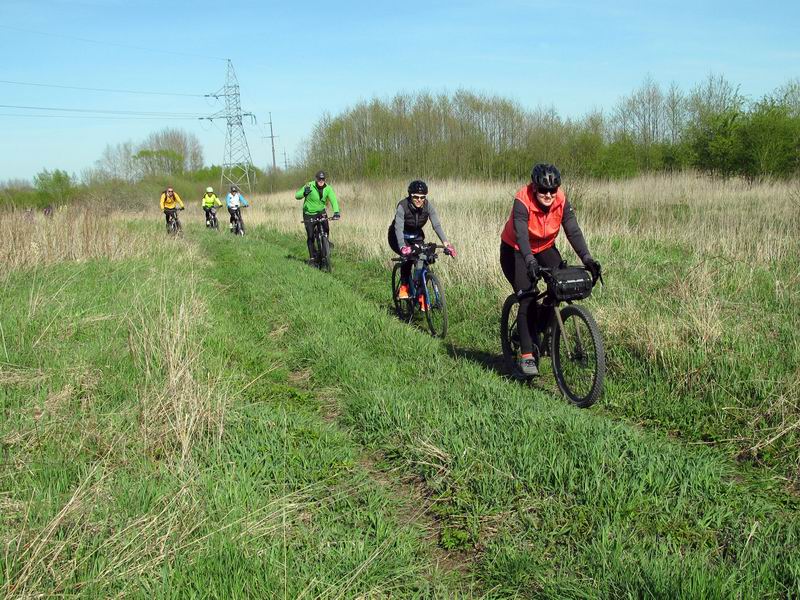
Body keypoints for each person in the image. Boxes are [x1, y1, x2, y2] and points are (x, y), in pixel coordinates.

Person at [500, 163, 601, 376]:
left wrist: (587, 258)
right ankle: (526, 354)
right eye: (543, 190)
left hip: (545, 247)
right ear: (534, 188)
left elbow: (572, 230)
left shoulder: (561, 200)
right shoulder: (522, 200)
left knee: (559, 286)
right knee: (527, 296)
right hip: (516, 250)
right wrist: (529, 260)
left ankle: (538, 326)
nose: (548, 194)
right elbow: (520, 235)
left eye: (552, 190)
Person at [387, 180, 456, 301]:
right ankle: (404, 286)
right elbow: (398, 228)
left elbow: (436, 225)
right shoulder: (402, 206)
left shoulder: (428, 206)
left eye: (422, 197)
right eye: (415, 197)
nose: (419, 200)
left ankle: (420, 290)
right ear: (410, 196)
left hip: (415, 236)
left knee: (425, 257)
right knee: (409, 258)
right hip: (397, 237)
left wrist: (446, 243)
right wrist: (403, 246)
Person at [295, 171, 340, 263]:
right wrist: (304, 193)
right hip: (309, 213)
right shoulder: (309, 185)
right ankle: (312, 258)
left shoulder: (328, 188)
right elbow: (297, 195)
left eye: (323, 179)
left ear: (325, 179)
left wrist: (336, 212)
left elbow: (334, 200)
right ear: (316, 179)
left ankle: (325, 245)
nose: (321, 181)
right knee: (311, 236)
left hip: (321, 212)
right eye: (319, 179)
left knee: (326, 229)